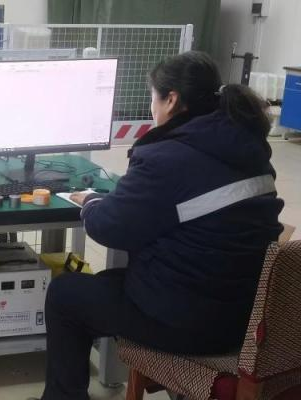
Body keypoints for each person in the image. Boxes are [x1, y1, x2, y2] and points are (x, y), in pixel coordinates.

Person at [41, 51, 284, 400]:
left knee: (65, 295)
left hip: (190, 322)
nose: (152, 107)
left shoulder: (167, 157)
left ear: (171, 99)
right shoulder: (249, 146)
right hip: (248, 319)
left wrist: (92, 202)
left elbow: (109, 228)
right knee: (107, 282)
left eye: (153, 97)